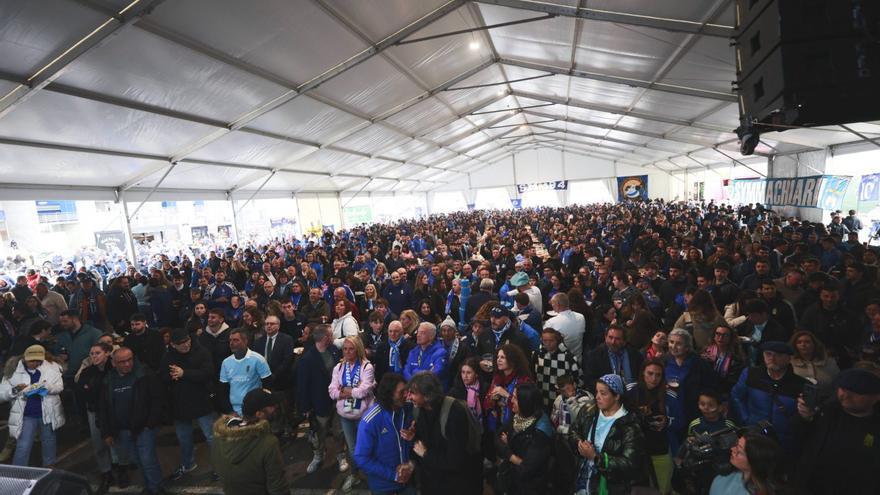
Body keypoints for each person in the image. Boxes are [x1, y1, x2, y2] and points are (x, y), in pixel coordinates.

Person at [794, 366, 880, 495]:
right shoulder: (826, 410)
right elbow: (800, 439)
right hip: (812, 487)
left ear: (875, 397)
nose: (846, 395)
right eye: (843, 389)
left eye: (856, 392)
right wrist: (805, 418)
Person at [98, 347, 165, 495]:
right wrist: (106, 432)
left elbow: (157, 400)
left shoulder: (144, 375)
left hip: (144, 428)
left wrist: (150, 424)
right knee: (137, 460)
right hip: (122, 430)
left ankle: (156, 488)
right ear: (114, 363)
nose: (127, 364)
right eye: (122, 362)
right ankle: (149, 486)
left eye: (130, 360)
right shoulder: (108, 380)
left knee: (148, 459)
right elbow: (104, 408)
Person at [406, 371, 483, 495]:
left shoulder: (454, 412)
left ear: (427, 395)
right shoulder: (418, 410)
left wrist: (426, 454)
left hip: (455, 484)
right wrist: (413, 437)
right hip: (431, 482)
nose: (408, 397)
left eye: (413, 393)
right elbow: (422, 444)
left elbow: (456, 460)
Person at [571, 374, 645, 495]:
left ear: (617, 396)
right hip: (583, 480)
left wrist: (596, 458)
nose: (597, 397)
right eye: (597, 392)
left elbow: (630, 463)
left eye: (603, 393)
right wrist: (579, 444)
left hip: (611, 487)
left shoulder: (630, 425)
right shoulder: (589, 410)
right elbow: (574, 430)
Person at [159, 328, 216, 481]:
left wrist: (184, 374)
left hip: (201, 400)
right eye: (180, 343)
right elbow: (162, 376)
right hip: (179, 403)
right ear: (172, 344)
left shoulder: (201, 351)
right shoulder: (168, 356)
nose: (185, 345)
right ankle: (187, 463)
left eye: (187, 341)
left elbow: (208, 373)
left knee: (211, 436)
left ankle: (219, 466)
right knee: (184, 438)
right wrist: (172, 376)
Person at [731, 341, 807, 456]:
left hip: (784, 442)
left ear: (788, 358)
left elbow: (802, 416)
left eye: (779, 355)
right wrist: (746, 418)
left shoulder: (800, 384)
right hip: (754, 436)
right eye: (768, 354)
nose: (772, 358)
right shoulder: (751, 374)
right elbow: (736, 396)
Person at [212, 388, 289, 495]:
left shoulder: (220, 436)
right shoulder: (268, 443)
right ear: (259, 414)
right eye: (271, 406)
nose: (275, 408)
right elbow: (278, 488)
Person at [0, 345, 64, 467]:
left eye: (38, 361)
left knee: (49, 442)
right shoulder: (12, 371)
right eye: (31, 361)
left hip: (48, 414)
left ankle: (50, 472)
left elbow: (59, 387)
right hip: (26, 415)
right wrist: (15, 390)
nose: (34, 363)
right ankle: (18, 474)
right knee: (23, 445)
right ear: (25, 358)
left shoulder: (52, 368)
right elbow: (1, 394)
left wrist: (47, 387)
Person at [354, 373, 416, 495]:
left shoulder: (408, 409)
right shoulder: (370, 420)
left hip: (408, 481)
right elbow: (361, 458)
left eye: (407, 390)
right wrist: (393, 475)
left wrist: (413, 437)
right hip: (383, 486)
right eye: (401, 392)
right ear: (389, 394)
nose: (406, 395)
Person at [329, 335, 376, 491]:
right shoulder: (339, 368)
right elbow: (332, 391)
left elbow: (364, 392)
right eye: (345, 349)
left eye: (351, 349)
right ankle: (354, 475)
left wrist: (344, 390)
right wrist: (349, 391)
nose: (347, 352)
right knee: (352, 449)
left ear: (358, 349)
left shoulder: (366, 367)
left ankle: (374, 476)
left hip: (365, 416)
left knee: (369, 447)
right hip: (346, 416)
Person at [296, 324, 342, 474]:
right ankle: (318, 456)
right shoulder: (307, 359)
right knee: (318, 434)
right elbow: (302, 386)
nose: (333, 337)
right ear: (324, 338)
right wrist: (305, 408)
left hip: (337, 401)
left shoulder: (334, 351)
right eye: (330, 334)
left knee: (339, 431)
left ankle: (341, 455)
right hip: (319, 403)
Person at [494, 381, 554, 495]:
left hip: (531, 487)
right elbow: (497, 437)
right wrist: (515, 458)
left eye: (515, 398)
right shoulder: (518, 416)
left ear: (526, 402)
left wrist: (508, 448)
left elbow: (526, 469)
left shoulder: (541, 430)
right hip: (512, 482)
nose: (511, 401)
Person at [663, 329, 716, 454]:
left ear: (687, 347)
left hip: (691, 412)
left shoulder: (700, 364)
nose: (673, 346)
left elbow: (711, 387)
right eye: (671, 342)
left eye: (678, 343)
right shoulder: (664, 360)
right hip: (669, 411)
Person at [625, 359, 673, 495]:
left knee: (662, 490)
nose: (654, 378)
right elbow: (622, 421)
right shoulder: (632, 393)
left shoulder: (668, 394)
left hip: (660, 449)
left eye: (658, 375)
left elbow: (680, 420)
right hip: (637, 451)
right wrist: (639, 415)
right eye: (650, 373)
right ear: (643, 374)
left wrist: (667, 421)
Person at [76, 342, 114, 493]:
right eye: (92, 353)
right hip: (95, 411)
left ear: (107, 353)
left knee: (117, 441)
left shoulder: (114, 368)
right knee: (99, 443)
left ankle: (121, 468)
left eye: (97, 353)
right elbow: (82, 392)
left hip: (113, 410)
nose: (94, 356)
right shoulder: (87, 372)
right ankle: (107, 473)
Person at [709, 433, 784, 495]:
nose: (732, 449)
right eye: (736, 445)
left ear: (753, 461)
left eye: (739, 451)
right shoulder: (725, 477)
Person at [219, 328, 271, 415]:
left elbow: (268, 385)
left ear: (245, 341)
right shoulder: (226, 362)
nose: (231, 343)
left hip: (255, 410)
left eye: (235, 340)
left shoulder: (258, 359)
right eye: (230, 340)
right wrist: (229, 411)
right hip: (234, 411)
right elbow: (223, 390)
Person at [582, 325, 644, 392]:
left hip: (633, 395)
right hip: (608, 396)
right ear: (605, 338)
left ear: (624, 341)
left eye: (617, 339)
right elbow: (590, 381)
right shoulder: (594, 356)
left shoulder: (634, 355)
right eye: (610, 337)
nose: (613, 342)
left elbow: (642, 376)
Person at [535, 327, 579, 409]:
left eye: (551, 341)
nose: (548, 344)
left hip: (562, 401)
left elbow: (578, 378)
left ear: (557, 340)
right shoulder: (538, 355)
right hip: (542, 398)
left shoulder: (568, 357)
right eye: (545, 341)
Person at [789, 330, 840, 401]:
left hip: (827, 400)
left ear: (814, 344)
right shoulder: (789, 364)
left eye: (807, 342)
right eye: (799, 342)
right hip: (798, 401)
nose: (803, 345)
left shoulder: (829, 363)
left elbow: (837, 383)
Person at [700, 324, 746, 393]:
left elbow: (732, 381)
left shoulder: (736, 358)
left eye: (725, 335)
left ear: (730, 338)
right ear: (714, 336)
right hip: (704, 389)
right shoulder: (705, 353)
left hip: (725, 391)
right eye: (718, 334)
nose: (720, 338)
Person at [403, 322, 449, 387]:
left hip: (432, 391)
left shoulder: (440, 352)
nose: (418, 335)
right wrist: (415, 383)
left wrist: (414, 371)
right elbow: (406, 371)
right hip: (414, 388)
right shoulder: (413, 352)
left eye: (422, 333)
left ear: (431, 336)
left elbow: (435, 373)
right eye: (418, 332)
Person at [373, 320, 414, 384]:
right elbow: (378, 369)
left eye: (396, 331)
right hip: (385, 382)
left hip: (404, 381)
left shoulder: (410, 347)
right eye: (390, 331)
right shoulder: (381, 347)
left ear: (402, 332)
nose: (392, 334)